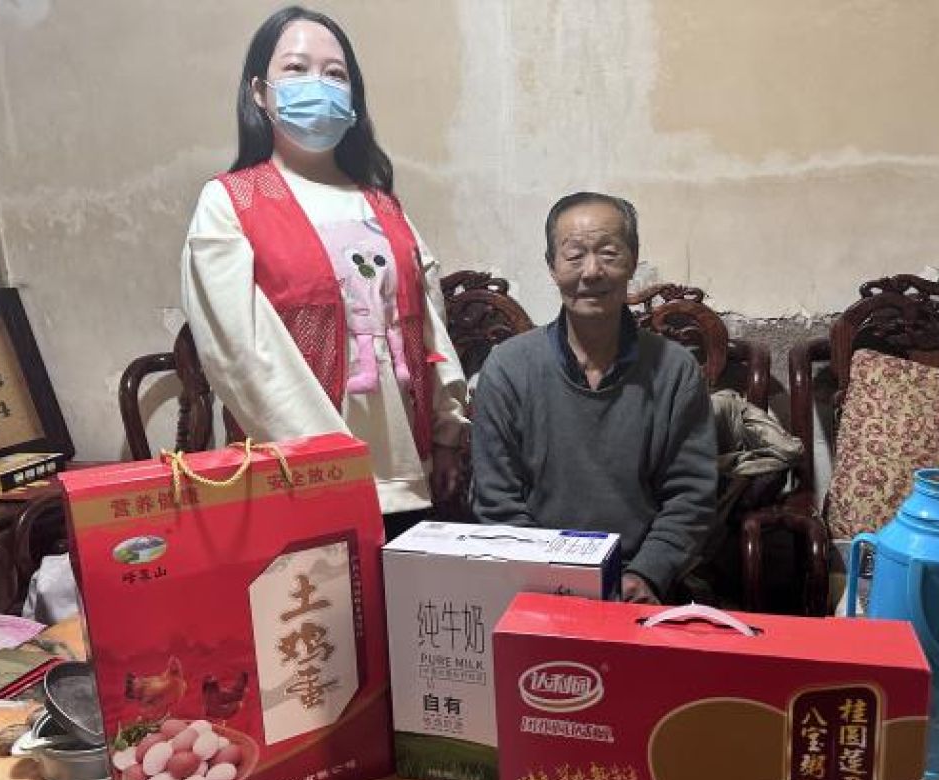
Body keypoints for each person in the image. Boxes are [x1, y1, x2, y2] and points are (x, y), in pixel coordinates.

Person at [181, 6, 467, 539]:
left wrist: (447, 431)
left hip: (406, 473)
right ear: (259, 91)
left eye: (335, 74)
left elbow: (431, 325)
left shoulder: (384, 206)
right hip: (295, 476)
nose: (318, 83)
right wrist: (325, 462)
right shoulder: (231, 202)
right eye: (296, 68)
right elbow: (240, 354)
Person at [471, 192, 717, 603]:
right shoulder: (508, 368)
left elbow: (690, 495)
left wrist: (647, 574)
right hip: (537, 587)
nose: (591, 271)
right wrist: (550, 580)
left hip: (640, 585)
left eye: (608, 253)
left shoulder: (675, 370)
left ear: (632, 260)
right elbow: (496, 500)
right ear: (552, 266)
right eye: (574, 255)